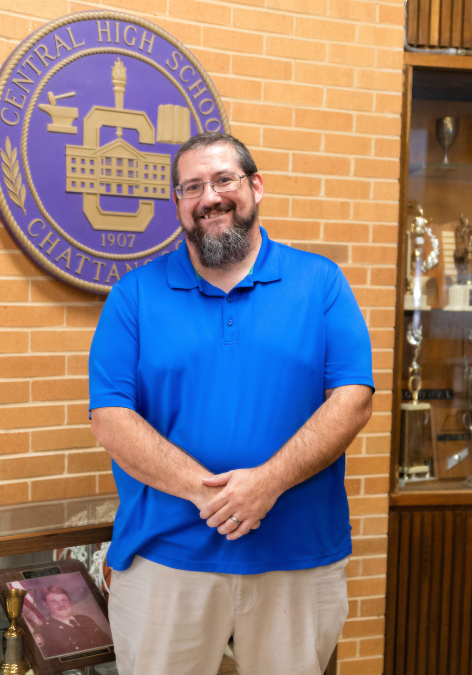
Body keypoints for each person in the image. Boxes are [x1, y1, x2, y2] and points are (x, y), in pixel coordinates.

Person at [89, 132, 374, 675]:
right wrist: (214, 496)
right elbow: (111, 419)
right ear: (178, 205)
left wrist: (266, 482)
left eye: (224, 179)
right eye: (192, 186)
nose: (209, 196)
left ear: (255, 186)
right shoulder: (135, 296)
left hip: (298, 559)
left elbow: (354, 399)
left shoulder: (320, 283)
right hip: (166, 561)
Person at [32, 585, 112, 658]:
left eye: (64, 600)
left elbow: (108, 644)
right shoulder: (43, 632)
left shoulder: (85, 619)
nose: (61, 604)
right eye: (54, 601)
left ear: (69, 601)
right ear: (46, 605)